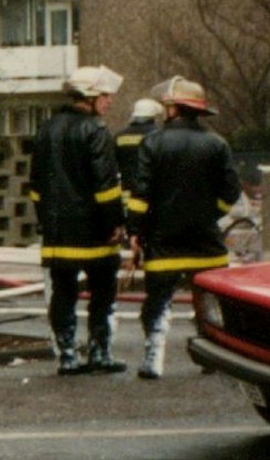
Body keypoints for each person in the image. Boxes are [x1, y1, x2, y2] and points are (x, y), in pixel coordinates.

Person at [129, 77, 241, 379]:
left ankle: (153, 358)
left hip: (163, 241)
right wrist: (210, 215)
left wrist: (135, 232)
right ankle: (211, 356)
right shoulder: (217, 144)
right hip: (206, 243)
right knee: (208, 303)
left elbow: (141, 196)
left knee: (157, 302)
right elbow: (231, 191)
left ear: (174, 109)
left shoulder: (152, 142)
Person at [27, 65, 129, 376]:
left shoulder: (45, 129)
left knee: (63, 293)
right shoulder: (96, 131)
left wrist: (47, 220)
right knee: (102, 293)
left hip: (58, 231)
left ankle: (67, 355)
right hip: (95, 231)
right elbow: (106, 187)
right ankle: (99, 353)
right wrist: (117, 223)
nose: (109, 102)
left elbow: (36, 185)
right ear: (90, 98)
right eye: (105, 96)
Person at [115, 97, 162, 193]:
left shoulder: (119, 136)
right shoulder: (159, 136)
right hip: (151, 192)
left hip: (125, 189)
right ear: (153, 116)